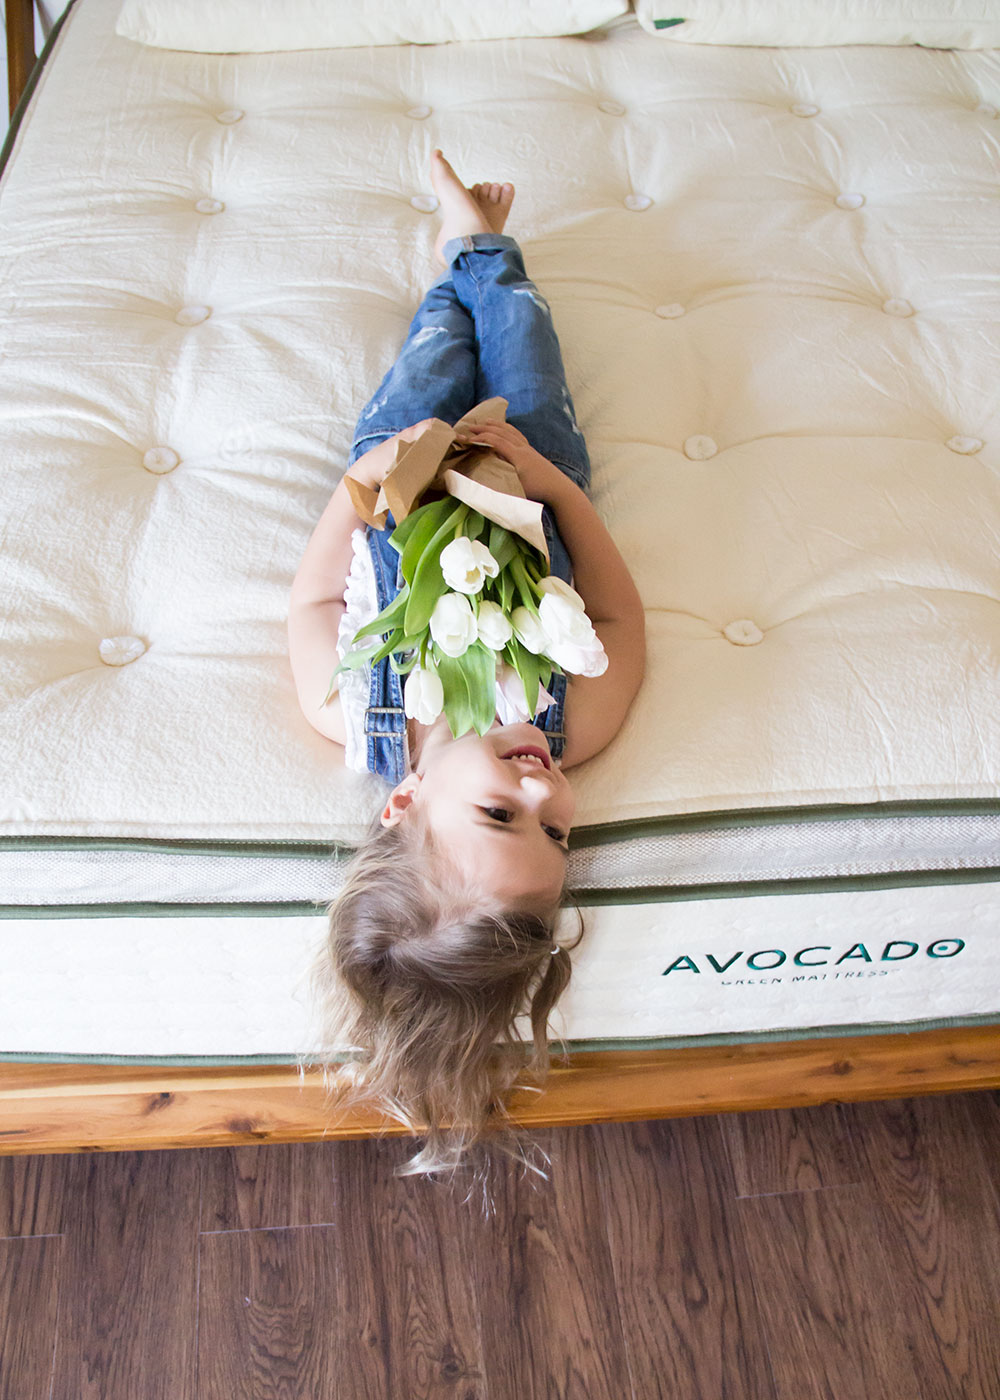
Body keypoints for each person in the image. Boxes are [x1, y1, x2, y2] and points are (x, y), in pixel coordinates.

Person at [287, 150, 645, 1181]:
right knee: (523, 338)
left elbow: (315, 600)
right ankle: (486, 245)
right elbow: (616, 606)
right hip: (527, 465)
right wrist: (551, 485)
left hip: (397, 474)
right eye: (558, 824)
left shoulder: (355, 710)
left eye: (502, 811)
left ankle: (457, 259)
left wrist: (353, 487)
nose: (543, 784)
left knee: (434, 350)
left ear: (401, 803)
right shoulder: (578, 719)